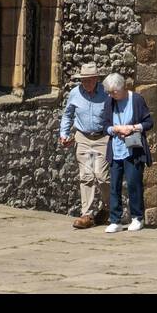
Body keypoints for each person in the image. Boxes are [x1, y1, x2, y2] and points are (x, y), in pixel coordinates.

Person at [59, 60, 110, 228]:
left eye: (89, 80)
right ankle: (86, 215)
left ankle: (108, 208)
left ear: (96, 79)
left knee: (102, 177)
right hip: (83, 138)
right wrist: (64, 134)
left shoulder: (106, 93)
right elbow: (68, 115)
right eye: (83, 80)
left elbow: (115, 112)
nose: (86, 83)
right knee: (86, 176)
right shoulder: (75, 93)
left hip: (102, 138)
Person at [103, 72, 153, 233]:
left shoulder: (136, 100)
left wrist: (132, 128)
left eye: (114, 92)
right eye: (109, 92)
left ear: (123, 87)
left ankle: (137, 217)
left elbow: (148, 122)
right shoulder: (109, 102)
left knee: (134, 183)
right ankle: (115, 220)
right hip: (116, 149)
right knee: (114, 185)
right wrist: (116, 129)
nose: (111, 95)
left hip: (133, 149)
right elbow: (105, 126)